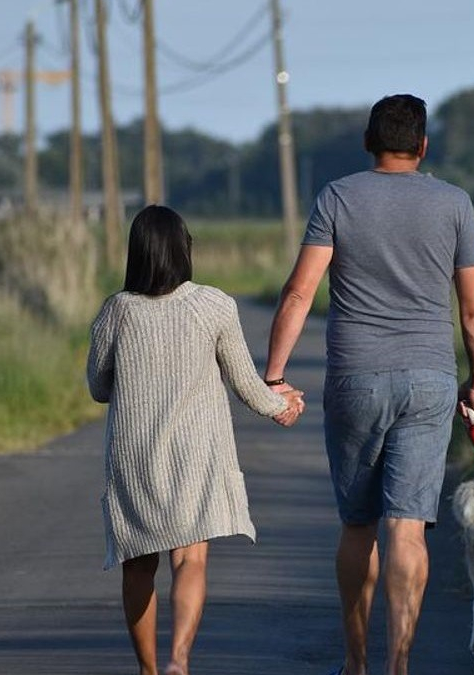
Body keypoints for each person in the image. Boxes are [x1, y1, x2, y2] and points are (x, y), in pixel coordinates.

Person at [264, 94, 474, 675]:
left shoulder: (337, 197)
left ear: (369, 142)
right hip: (429, 379)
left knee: (358, 524)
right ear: (422, 146)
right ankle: (400, 665)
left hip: (354, 377)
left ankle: (357, 659)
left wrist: (274, 376)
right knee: (407, 526)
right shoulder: (455, 204)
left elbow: (298, 292)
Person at [87, 205, 305, 675]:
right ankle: (179, 662)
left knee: (138, 565)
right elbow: (247, 384)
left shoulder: (116, 311)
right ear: (184, 251)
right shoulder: (213, 305)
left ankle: (147, 669)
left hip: (134, 456)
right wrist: (281, 404)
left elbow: (98, 387)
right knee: (190, 558)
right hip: (196, 453)